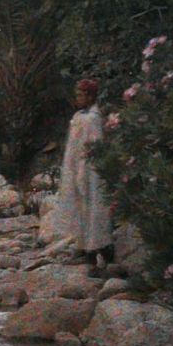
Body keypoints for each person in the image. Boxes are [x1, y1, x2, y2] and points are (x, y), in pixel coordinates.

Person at [54, 78, 115, 271]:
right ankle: (83, 247)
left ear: (90, 96)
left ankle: (98, 249)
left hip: (89, 171)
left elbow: (94, 145)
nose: (77, 98)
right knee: (80, 207)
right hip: (76, 168)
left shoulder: (93, 118)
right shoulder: (79, 116)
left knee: (94, 208)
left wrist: (86, 167)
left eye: (81, 95)